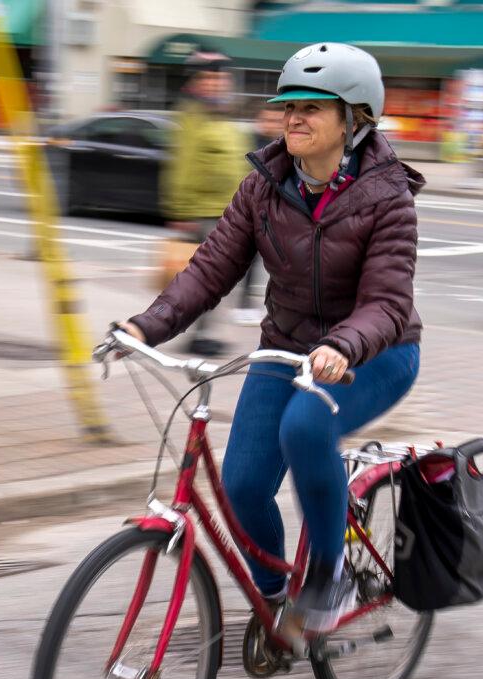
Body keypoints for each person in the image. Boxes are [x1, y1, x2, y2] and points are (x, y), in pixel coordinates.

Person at [118, 42, 424, 643]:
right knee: (241, 486)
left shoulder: (388, 196)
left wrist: (343, 346)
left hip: (374, 353)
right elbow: (209, 271)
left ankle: (331, 579)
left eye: (312, 107)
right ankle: (278, 600)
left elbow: (387, 303)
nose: (294, 118)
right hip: (285, 347)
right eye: (288, 106)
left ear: (355, 118)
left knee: (306, 428)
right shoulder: (263, 186)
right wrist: (143, 327)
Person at [162, 51, 250, 356]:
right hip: (202, 211)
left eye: (220, 78)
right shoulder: (193, 115)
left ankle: (203, 331)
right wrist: (181, 211)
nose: (216, 83)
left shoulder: (222, 113)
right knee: (213, 275)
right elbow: (183, 164)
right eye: (209, 78)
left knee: (219, 276)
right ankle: (201, 334)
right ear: (198, 82)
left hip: (227, 210)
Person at [232, 103, 286, 327]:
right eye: (268, 120)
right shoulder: (250, 145)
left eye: (276, 121)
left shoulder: (283, 147)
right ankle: (244, 304)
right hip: (254, 212)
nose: (271, 125)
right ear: (259, 120)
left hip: (276, 214)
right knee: (249, 260)